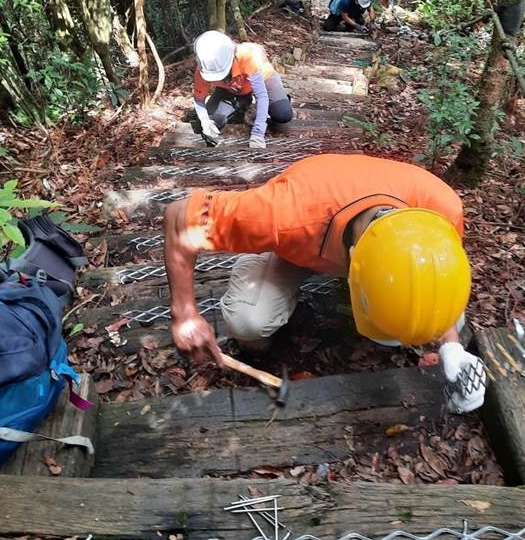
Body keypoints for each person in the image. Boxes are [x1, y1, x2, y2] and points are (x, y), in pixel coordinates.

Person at [163, 153, 486, 415]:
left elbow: (436, 277)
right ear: (353, 268)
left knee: (435, 315)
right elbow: (179, 215)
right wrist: (186, 315)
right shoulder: (280, 214)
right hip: (298, 242)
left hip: (351, 237)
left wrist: (451, 346)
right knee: (248, 322)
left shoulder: (440, 210)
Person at [193, 31, 293, 149]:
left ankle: (278, 98)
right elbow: (199, 100)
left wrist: (258, 132)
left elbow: (261, 95)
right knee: (207, 120)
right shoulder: (204, 68)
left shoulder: (245, 56)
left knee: (283, 114)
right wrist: (206, 122)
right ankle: (243, 101)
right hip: (232, 89)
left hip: (264, 80)